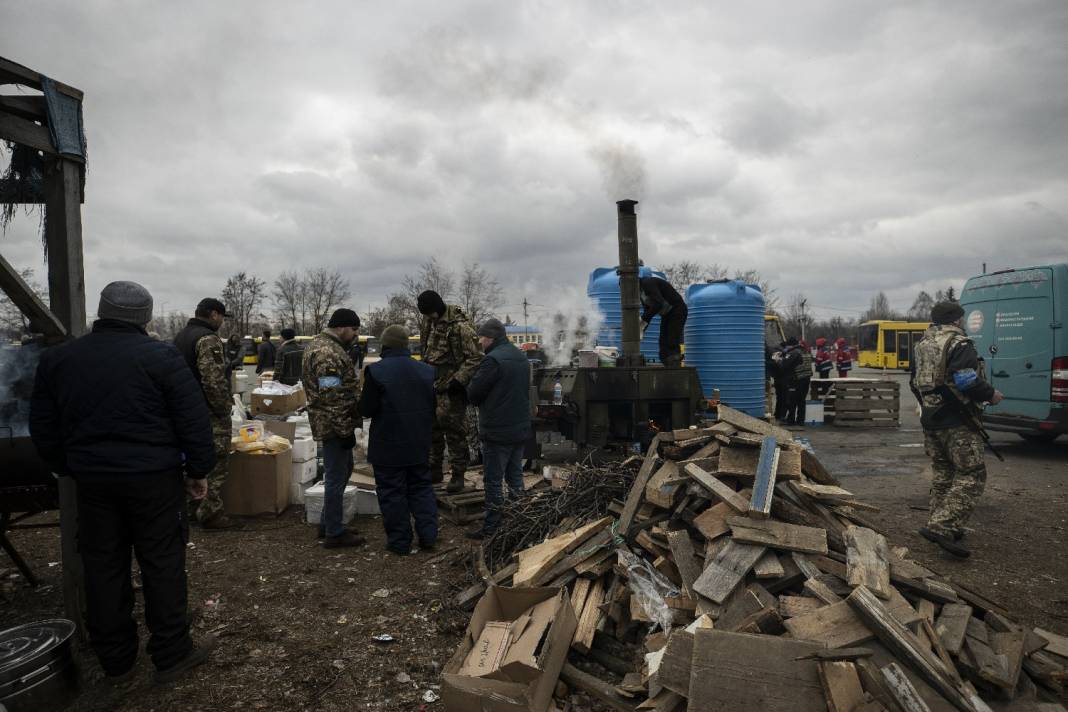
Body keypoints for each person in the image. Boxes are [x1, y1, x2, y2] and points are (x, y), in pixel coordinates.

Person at [30, 281, 216, 684]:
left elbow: (43, 425)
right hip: (154, 481)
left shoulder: (61, 359)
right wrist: (198, 471)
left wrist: (68, 466)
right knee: (163, 564)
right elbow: (193, 420)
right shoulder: (160, 358)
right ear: (145, 318)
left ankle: (115, 656)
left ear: (102, 311)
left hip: (94, 482)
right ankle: (171, 652)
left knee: (103, 566)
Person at [909, 301, 1003, 558]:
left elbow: (913, 381)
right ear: (957, 320)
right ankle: (944, 525)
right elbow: (965, 379)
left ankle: (939, 522)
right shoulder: (959, 344)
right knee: (972, 474)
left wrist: (929, 403)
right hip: (957, 419)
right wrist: (991, 394)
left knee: (943, 473)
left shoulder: (921, 344)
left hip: (930, 418)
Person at [357, 325, 438, 555]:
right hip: (418, 442)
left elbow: (367, 409)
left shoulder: (377, 371)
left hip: (388, 444)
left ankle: (400, 542)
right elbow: (432, 407)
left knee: (392, 493)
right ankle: (429, 536)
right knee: (421, 488)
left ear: (385, 345)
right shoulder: (426, 371)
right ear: (405, 345)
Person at [303, 308, 366, 548]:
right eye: (354, 329)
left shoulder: (321, 345)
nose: (355, 335)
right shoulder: (327, 352)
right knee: (336, 475)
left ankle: (329, 522)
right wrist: (344, 431)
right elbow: (332, 396)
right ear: (341, 327)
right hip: (333, 424)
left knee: (342, 470)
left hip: (332, 421)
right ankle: (334, 532)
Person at [174, 298, 238, 530]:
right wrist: (223, 409)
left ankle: (193, 507)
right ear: (213, 314)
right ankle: (211, 512)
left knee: (192, 460)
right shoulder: (208, 339)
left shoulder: (181, 336)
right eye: (221, 316)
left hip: (184, 410)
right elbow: (213, 380)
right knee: (216, 461)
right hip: (208, 412)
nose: (221, 321)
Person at [465, 318, 532, 539]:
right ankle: (521, 523)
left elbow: (474, 394)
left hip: (497, 430)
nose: (480, 342)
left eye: (481, 338)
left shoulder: (492, 361)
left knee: (493, 481)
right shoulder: (521, 357)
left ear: (490, 337)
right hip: (519, 428)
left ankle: (491, 528)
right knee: (516, 478)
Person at [417, 290, 483, 493]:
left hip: (451, 387)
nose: (429, 318)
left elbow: (476, 358)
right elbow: (425, 350)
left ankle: (457, 475)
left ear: (437, 309)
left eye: (430, 314)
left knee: (454, 433)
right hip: (432, 384)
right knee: (432, 431)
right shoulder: (429, 323)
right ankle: (434, 470)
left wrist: (458, 380)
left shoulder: (460, 326)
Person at [638, 268, 687, 367]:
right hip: (667, 313)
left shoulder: (647, 283)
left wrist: (642, 320)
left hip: (677, 309)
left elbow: (658, 303)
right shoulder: (641, 293)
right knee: (662, 343)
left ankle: (675, 365)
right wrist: (641, 328)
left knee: (672, 340)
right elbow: (647, 311)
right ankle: (667, 365)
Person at [785, 339, 813, 426]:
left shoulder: (794, 353)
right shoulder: (807, 352)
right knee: (801, 401)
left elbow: (785, 365)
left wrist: (778, 360)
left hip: (796, 380)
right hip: (806, 379)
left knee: (792, 401)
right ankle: (801, 421)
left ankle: (791, 421)